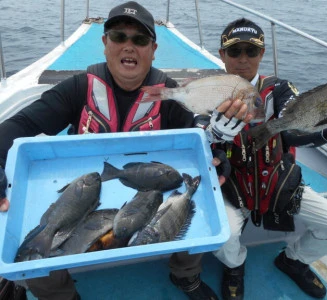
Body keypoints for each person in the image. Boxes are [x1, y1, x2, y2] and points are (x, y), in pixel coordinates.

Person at [0, 2, 250, 300]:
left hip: (149, 194)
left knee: (192, 204)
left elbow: (202, 140)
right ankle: (60, 295)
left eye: (140, 40)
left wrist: (217, 157)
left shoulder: (170, 94)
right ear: (105, 44)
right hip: (91, 196)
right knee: (31, 225)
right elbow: (19, 125)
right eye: (119, 37)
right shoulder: (77, 89)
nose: (128, 46)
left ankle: (185, 275)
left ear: (153, 49)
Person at [207, 18, 327, 300]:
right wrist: (210, 132)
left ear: (262, 54)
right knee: (223, 235)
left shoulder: (280, 90)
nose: (243, 59)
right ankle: (235, 266)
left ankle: (293, 260)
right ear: (222, 55)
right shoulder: (209, 90)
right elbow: (195, 134)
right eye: (234, 52)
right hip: (230, 186)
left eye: (251, 52)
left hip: (279, 184)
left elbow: (295, 130)